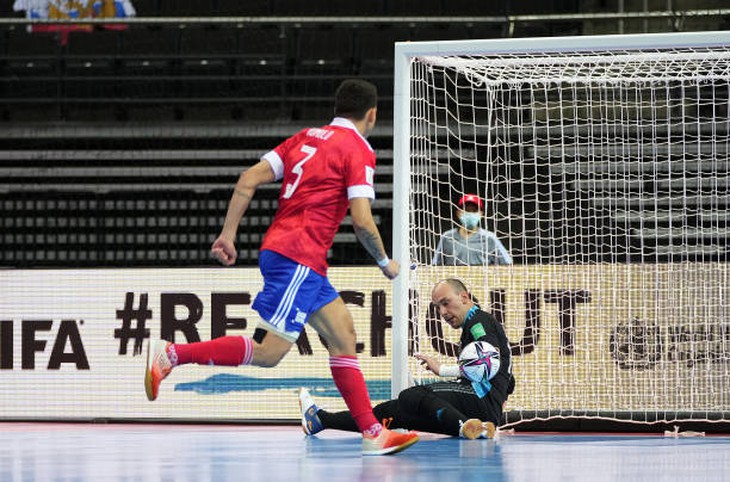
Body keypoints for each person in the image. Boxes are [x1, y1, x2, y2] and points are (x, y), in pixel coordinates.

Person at [144, 79, 419, 456]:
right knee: (269, 352)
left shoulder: (304, 137)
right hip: (299, 257)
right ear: (372, 114)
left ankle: (372, 432)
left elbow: (247, 179)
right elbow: (361, 220)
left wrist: (228, 235)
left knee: (343, 334)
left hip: (297, 257)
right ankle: (172, 354)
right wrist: (384, 261)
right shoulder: (358, 148)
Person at [299, 278, 515, 440]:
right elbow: (507, 376)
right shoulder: (475, 324)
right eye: (438, 307)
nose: (442, 312)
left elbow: (490, 360)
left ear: (465, 297)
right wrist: (500, 396)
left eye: (446, 303)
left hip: (477, 401)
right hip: (479, 406)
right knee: (393, 412)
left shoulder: (478, 322)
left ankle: (466, 427)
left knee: (413, 395)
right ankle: (319, 420)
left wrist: (442, 370)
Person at [432, 194, 513, 266]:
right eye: (466, 210)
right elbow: (435, 265)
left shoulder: (489, 238)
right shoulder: (447, 237)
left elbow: (507, 263)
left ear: (481, 214)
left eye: (474, 211)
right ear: (458, 213)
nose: (470, 213)